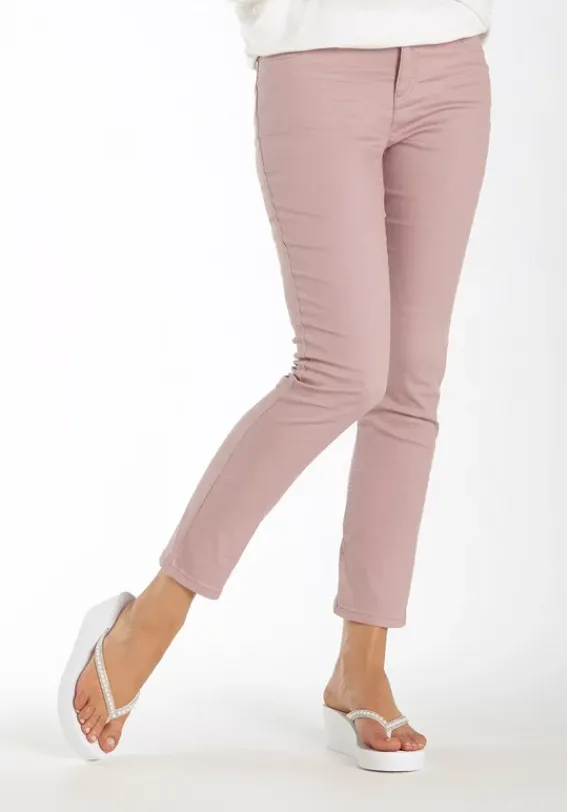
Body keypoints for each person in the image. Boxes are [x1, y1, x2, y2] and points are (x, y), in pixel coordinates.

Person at [58, 0, 493, 772]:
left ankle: (361, 666)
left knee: (408, 382)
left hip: (449, 60)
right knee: (340, 371)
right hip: (316, 58)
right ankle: (155, 613)